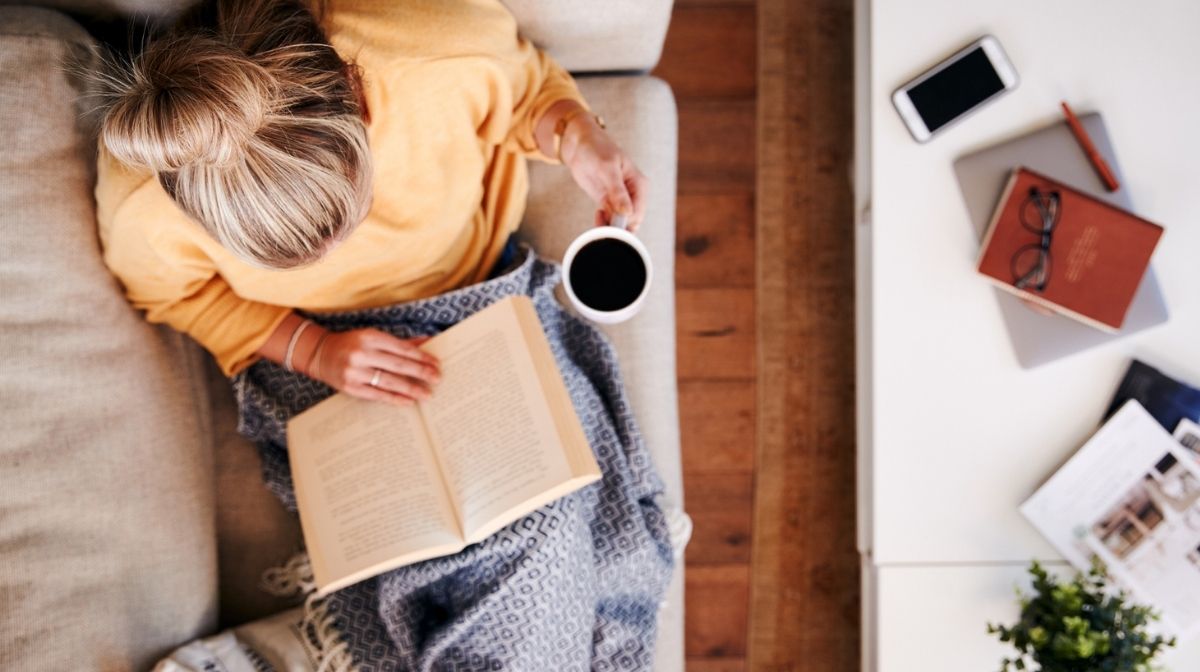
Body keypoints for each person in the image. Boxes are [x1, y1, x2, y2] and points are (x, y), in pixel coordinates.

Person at [94, 0, 648, 406]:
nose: (343, 251)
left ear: (355, 93)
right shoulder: (143, 200)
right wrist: (315, 352)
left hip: (481, 286)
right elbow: (173, 298)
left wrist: (576, 135)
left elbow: (526, 92)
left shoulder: (438, 45)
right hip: (317, 350)